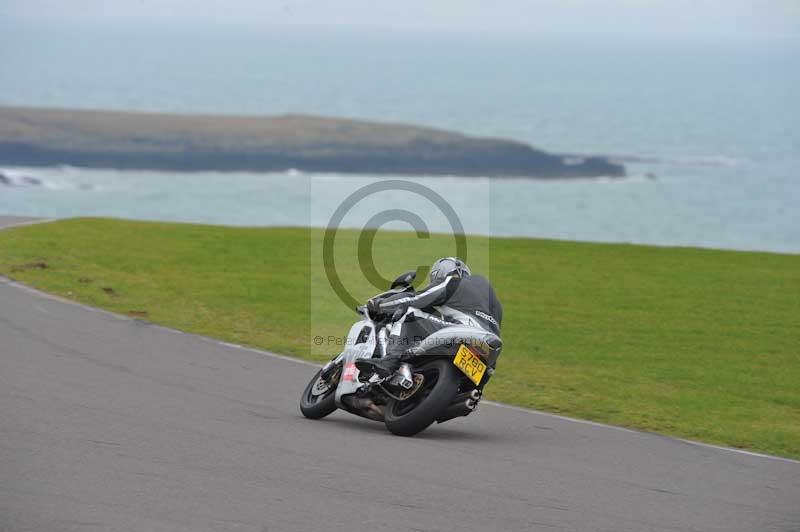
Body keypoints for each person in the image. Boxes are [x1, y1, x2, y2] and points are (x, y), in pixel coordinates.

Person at [360, 257, 503, 377]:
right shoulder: (494, 302)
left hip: (464, 331)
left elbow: (416, 299)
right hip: (489, 347)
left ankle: (389, 361)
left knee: (408, 312)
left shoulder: (452, 282)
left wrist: (380, 305)